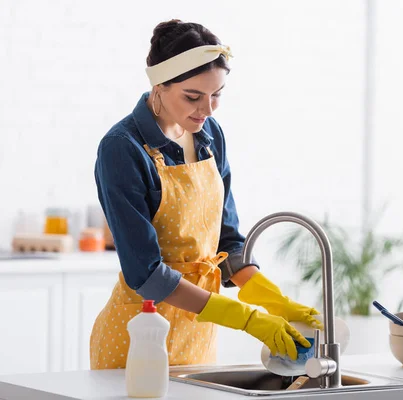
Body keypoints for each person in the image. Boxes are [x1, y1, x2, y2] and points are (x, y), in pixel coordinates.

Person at [89, 19, 322, 370]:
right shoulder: (122, 148)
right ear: (159, 86)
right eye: (193, 96)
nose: (207, 109)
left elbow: (226, 242)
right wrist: (245, 318)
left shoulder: (209, 135)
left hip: (199, 335)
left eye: (217, 95)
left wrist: (275, 301)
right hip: (138, 337)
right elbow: (145, 273)